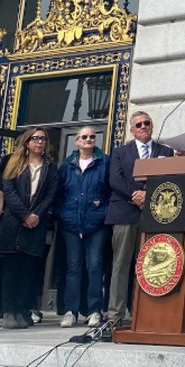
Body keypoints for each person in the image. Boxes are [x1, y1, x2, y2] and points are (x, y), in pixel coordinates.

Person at [105, 112, 172, 325]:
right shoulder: (120, 152)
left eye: (147, 123)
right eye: (138, 124)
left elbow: (168, 178)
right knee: (121, 265)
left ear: (152, 126)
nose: (143, 126)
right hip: (124, 213)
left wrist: (148, 195)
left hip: (153, 215)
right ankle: (115, 315)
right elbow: (115, 180)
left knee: (150, 266)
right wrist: (137, 196)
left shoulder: (165, 152)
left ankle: (143, 313)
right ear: (132, 130)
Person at [0, 127, 58, 329]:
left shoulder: (50, 167)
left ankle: (22, 309)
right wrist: (24, 215)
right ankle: (9, 311)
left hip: (36, 224)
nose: (40, 142)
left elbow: (51, 195)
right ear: (27, 142)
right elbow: (9, 192)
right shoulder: (14, 163)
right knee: (11, 269)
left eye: (43, 139)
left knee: (29, 271)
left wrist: (36, 216)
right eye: (35, 139)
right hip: (13, 223)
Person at [56, 126, 111, 328]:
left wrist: (102, 212)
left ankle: (94, 310)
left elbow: (110, 191)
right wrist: (64, 215)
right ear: (77, 141)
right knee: (73, 268)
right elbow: (59, 194)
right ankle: (70, 311)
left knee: (95, 266)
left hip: (96, 224)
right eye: (84, 137)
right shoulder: (67, 165)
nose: (89, 140)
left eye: (92, 137)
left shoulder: (105, 162)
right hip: (71, 224)